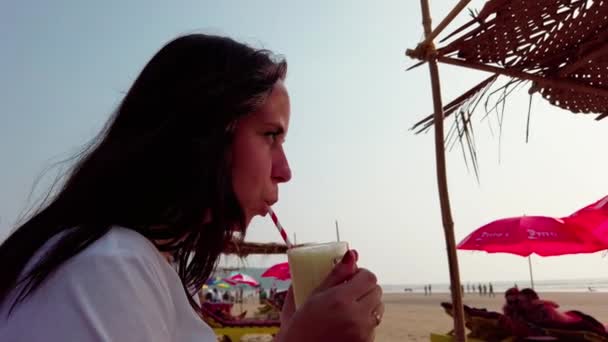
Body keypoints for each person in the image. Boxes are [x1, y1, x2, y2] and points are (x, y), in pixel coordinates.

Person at [0, 34, 383, 342]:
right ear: (204, 134)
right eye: (270, 136)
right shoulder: (107, 267)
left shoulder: (144, 265)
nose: (285, 171)